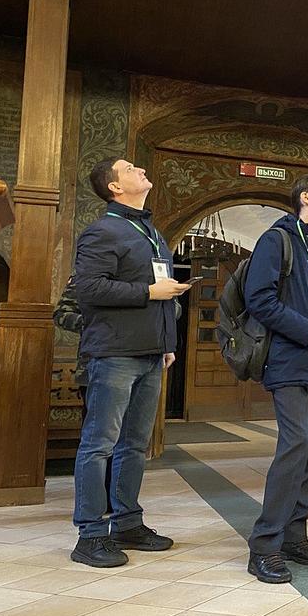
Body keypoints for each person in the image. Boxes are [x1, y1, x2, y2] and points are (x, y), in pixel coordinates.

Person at [71, 158, 189, 568]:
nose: (139, 170)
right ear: (114, 187)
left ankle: (127, 523)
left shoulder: (151, 232)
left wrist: (167, 342)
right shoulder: (102, 230)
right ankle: (90, 534)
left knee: (135, 445)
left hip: (151, 353)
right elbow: (88, 288)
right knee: (99, 445)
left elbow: (164, 295)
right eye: (130, 169)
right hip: (115, 353)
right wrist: (149, 291)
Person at [242, 174, 308, 584]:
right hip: (288, 359)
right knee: (295, 445)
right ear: (305, 198)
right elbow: (260, 299)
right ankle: (264, 544)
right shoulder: (277, 240)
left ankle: (294, 534)